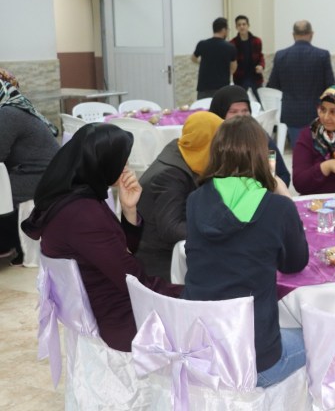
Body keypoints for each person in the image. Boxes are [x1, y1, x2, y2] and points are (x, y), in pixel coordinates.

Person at [21, 123, 182, 352]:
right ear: (103, 162)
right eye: (122, 160)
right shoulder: (83, 214)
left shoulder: (75, 196)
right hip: (121, 317)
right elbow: (133, 280)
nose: (126, 167)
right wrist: (188, 292)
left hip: (108, 300)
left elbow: (123, 249)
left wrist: (129, 210)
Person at [183, 115, 308, 387]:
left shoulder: (195, 201)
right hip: (255, 361)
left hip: (200, 351)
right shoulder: (278, 207)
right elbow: (295, 263)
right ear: (262, 156)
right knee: (325, 337)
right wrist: (285, 197)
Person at [135, 111, 223, 281]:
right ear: (205, 141)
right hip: (162, 264)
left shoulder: (187, 154)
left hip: (174, 251)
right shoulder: (170, 174)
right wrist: (216, 231)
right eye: (219, 142)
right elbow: (171, 228)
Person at [0, 76, 59, 262]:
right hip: (43, 172)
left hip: (41, 176)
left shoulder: (8, 114)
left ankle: (6, 246)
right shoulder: (14, 107)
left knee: (2, 193)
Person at [268, 20, 335, 148]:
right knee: (318, 151)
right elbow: (330, 86)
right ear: (311, 34)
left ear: (293, 35)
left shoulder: (281, 55)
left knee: (299, 151)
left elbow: (273, 85)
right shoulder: (322, 55)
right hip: (316, 113)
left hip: (291, 112)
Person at [209, 85, 291, 185]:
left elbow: (281, 174)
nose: (240, 116)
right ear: (220, 113)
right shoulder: (210, 140)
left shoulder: (261, 138)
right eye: (233, 112)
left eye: (245, 111)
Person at [191, 17, 237, 99]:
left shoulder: (202, 44)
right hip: (222, 88)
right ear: (224, 30)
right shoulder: (230, 47)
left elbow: (193, 58)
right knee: (221, 107)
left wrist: (200, 63)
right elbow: (233, 67)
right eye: (227, 29)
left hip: (204, 87)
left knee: (204, 107)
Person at [230, 15, 265, 103]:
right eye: (239, 25)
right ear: (236, 27)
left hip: (255, 77)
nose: (242, 27)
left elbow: (260, 56)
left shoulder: (257, 41)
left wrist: (261, 65)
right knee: (240, 102)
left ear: (248, 25)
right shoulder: (232, 43)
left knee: (261, 102)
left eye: (244, 24)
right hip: (240, 78)